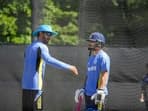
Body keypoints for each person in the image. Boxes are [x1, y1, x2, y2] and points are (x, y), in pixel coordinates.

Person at [22, 24, 79, 111]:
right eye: (47, 34)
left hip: (25, 87)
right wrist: (70, 67)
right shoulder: (42, 46)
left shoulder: (29, 47)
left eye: (50, 34)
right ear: (40, 33)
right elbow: (49, 60)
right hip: (35, 88)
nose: (49, 37)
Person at [75, 32, 110, 111]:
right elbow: (88, 75)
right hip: (88, 95)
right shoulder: (91, 57)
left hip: (97, 95)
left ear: (99, 44)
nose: (90, 43)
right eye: (89, 41)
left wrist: (100, 91)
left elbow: (105, 74)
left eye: (92, 42)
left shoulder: (103, 57)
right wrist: (83, 89)